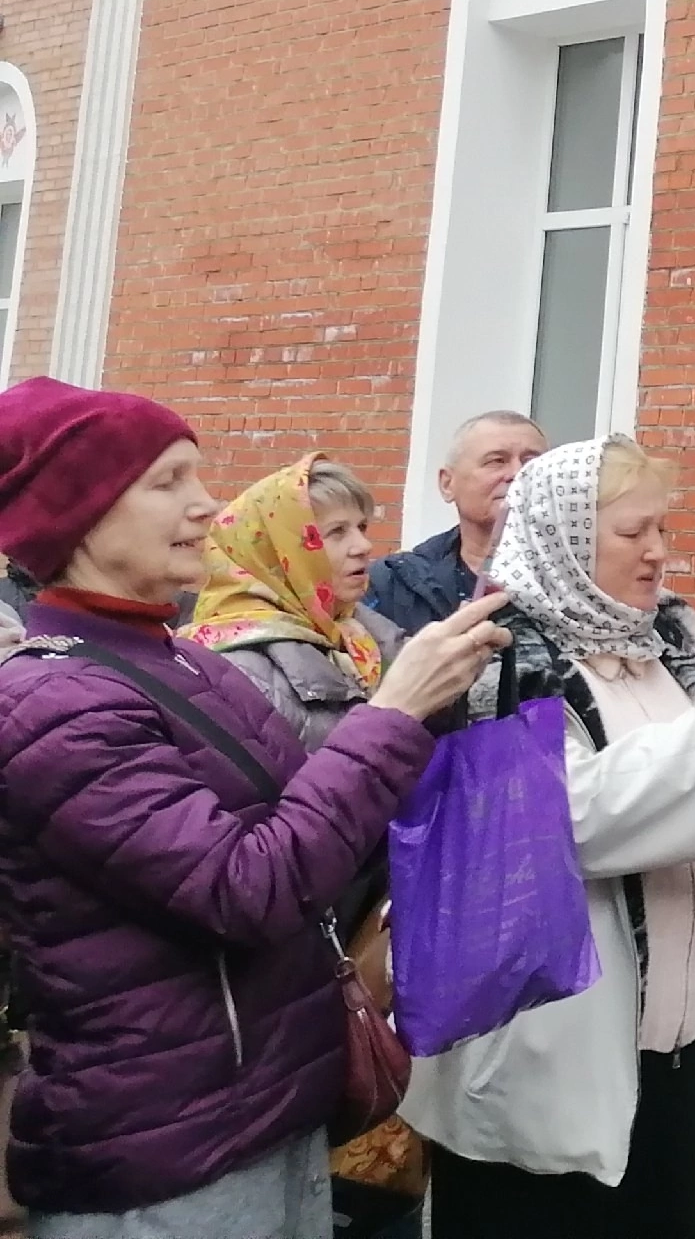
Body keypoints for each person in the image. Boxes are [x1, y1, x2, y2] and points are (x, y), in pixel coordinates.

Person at [0, 376, 506, 1236]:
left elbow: (319, 817)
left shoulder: (179, 661)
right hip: (168, 1148)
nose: (206, 506)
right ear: (77, 512)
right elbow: (248, 888)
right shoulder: (48, 702)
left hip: (272, 1106)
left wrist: (444, 696)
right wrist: (392, 712)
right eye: (168, 482)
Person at [404, 438, 695, 1239]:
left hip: (685, 1042)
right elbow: (562, 821)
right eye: (633, 534)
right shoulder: (500, 657)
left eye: (663, 529)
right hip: (552, 1051)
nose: (658, 552)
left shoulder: (681, 649)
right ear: (566, 536)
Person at [182, 455, 408, 750]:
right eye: (337, 532)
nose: (363, 546)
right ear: (277, 552)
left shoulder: (356, 631)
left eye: (362, 527)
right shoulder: (234, 666)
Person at [365, 411, 547, 633]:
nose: (518, 473)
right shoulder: (394, 583)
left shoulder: (580, 581)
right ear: (447, 484)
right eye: (497, 461)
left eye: (532, 462)